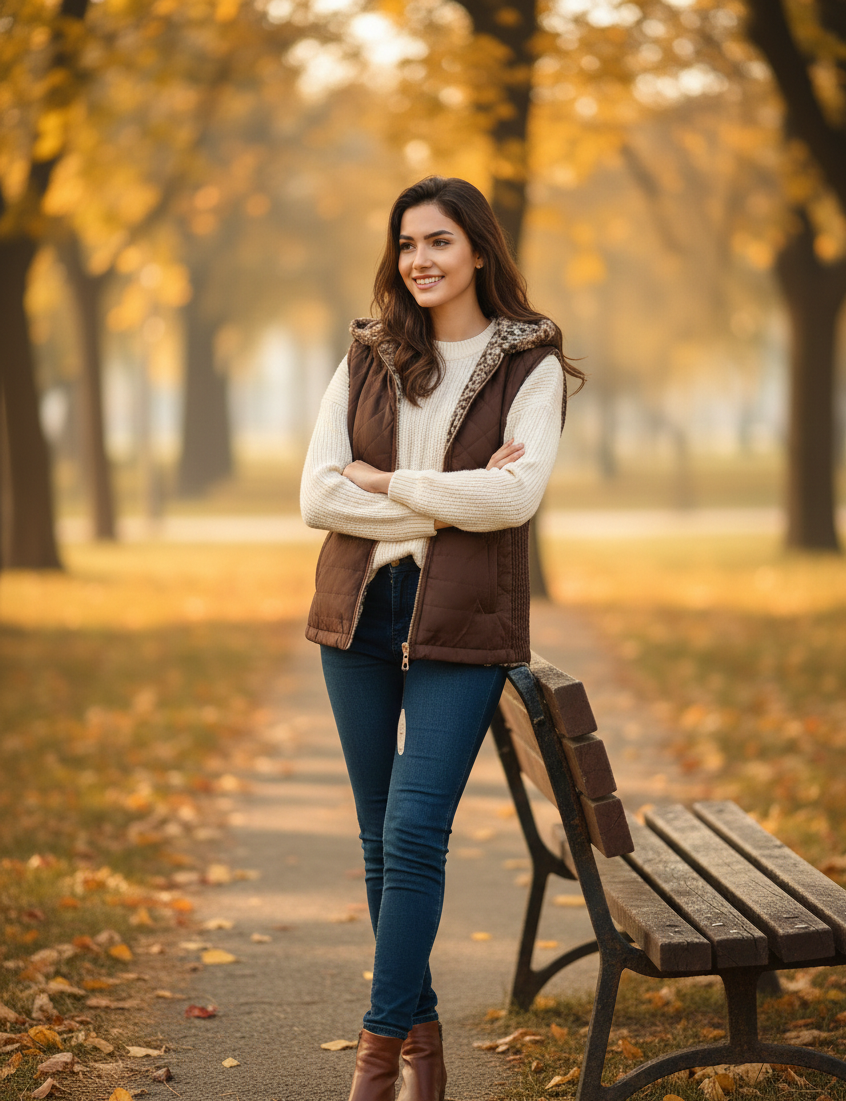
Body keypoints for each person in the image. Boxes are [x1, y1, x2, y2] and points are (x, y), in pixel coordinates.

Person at [300, 175, 585, 1101]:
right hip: (360, 617)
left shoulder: (528, 364)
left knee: (417, 832)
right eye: (406, 244)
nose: (418, 260)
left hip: (464, 624)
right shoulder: (369, 353)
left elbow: (514, 498)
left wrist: (384, 484)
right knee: (380, 840)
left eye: (438, 242)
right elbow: (314, 496)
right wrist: (444, 501)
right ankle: (423, 1043)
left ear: (477, 251)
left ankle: (377, 1052)